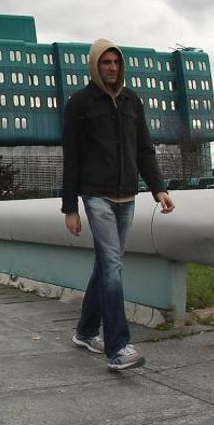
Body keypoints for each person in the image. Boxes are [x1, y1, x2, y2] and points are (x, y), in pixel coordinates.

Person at [61, 39, 176, 371]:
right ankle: (119, 348)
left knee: (106, 265)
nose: (112, 68)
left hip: (127, 196)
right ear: (95, 66)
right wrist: (70, 208)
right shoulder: (80, 103)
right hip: (96, 194)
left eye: (116, 62)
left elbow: (144, 150)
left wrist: (158, 189)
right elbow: (72, 157)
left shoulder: (132, 101)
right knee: (113, 266)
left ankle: (85, 332)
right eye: (105, 62)